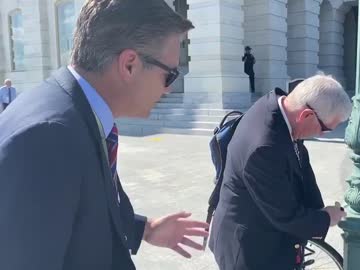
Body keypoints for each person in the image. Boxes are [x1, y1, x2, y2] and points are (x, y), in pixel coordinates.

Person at [0, 1, 208, 270]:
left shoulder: (76, 112)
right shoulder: (47, 138)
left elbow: (82, 208)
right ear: (130, 65)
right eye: (169, 75)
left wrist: (146, 229)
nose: (168, 89)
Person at [209, 74, 352, 270]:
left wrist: (316, 209)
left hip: (263, 230)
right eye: (325, 129)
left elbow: (301, 164)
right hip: (250, 250)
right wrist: (327, 218)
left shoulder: (281, 106)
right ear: (307, 115)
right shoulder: (264, 148)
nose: (321, 134)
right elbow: (286, 216)